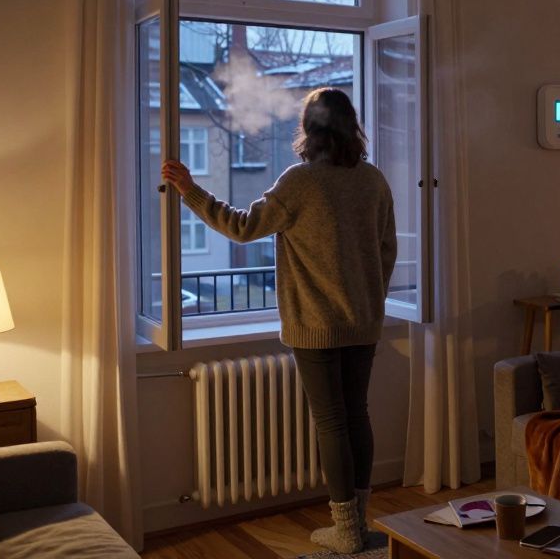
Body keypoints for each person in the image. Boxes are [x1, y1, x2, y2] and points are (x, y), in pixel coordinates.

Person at [162, 87, 396, 554]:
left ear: (309, 129)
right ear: (352, 127)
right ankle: (359, 524)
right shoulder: (373, 180)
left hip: (315, 325)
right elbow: (387, 249)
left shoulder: (300, 182)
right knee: (357, 416)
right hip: (364, 322)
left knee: (332, 422)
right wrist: (370, 299)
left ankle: (347, 532)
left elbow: (241, 227)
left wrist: (190, 191)